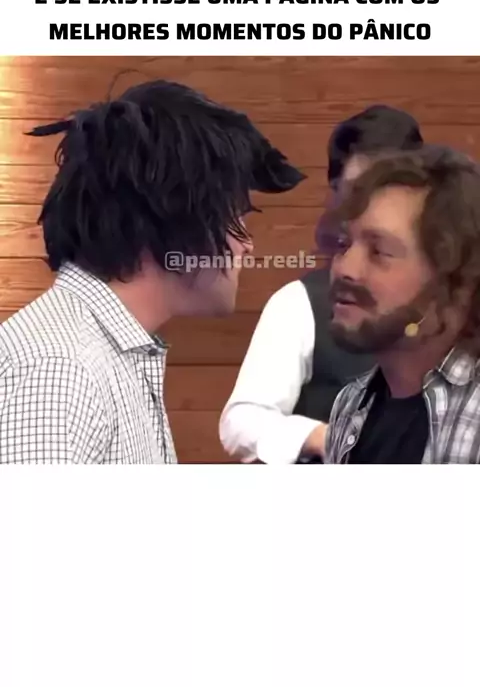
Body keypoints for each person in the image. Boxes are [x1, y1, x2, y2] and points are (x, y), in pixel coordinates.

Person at [0, 80, 304, 464]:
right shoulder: (58, 375)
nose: (247, 245)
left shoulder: (103, 355)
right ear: (178, 216)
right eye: (235, 219)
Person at [219, 106, 424, 464]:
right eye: (358, 191)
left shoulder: (448, 302)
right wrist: (323, 437)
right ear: (336, 194)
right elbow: (241, 422)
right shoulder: (298, 304)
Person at [324, 144, 480, 464]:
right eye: (344, 244)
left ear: (455, 278)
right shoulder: (351, 406)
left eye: (379, 252)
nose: (345, 268)